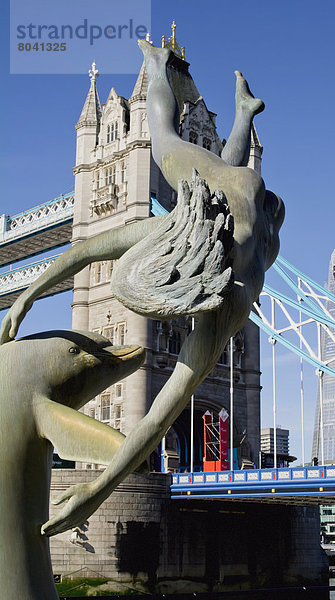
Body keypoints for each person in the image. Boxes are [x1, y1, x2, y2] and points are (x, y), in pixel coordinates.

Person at [1, 40, 284, 535]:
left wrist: (97, 489)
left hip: (250, 212)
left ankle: (209, 96)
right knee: (189, 150)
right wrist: (26, 296)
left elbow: (155, 416)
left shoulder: (197, 263)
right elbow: (83, 253)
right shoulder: (188, 234)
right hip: (248, 206)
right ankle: (234, 109)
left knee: (166, 138)